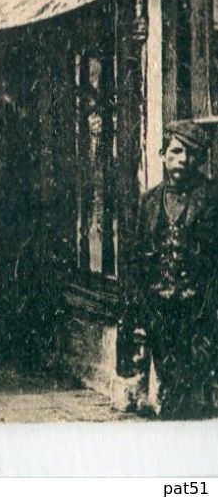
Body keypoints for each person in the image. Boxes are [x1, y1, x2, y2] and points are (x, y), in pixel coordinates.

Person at [119, 117, 218, 420]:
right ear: (163, 154)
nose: (183, 160)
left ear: (200, 159)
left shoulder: (212, 198)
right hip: (159, 312)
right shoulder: (149, 202)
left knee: (193, 391)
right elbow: (135, 260)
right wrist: (136, 310)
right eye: (175, 152)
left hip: (199, 313)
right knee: (166, 386)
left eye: (190, 154)